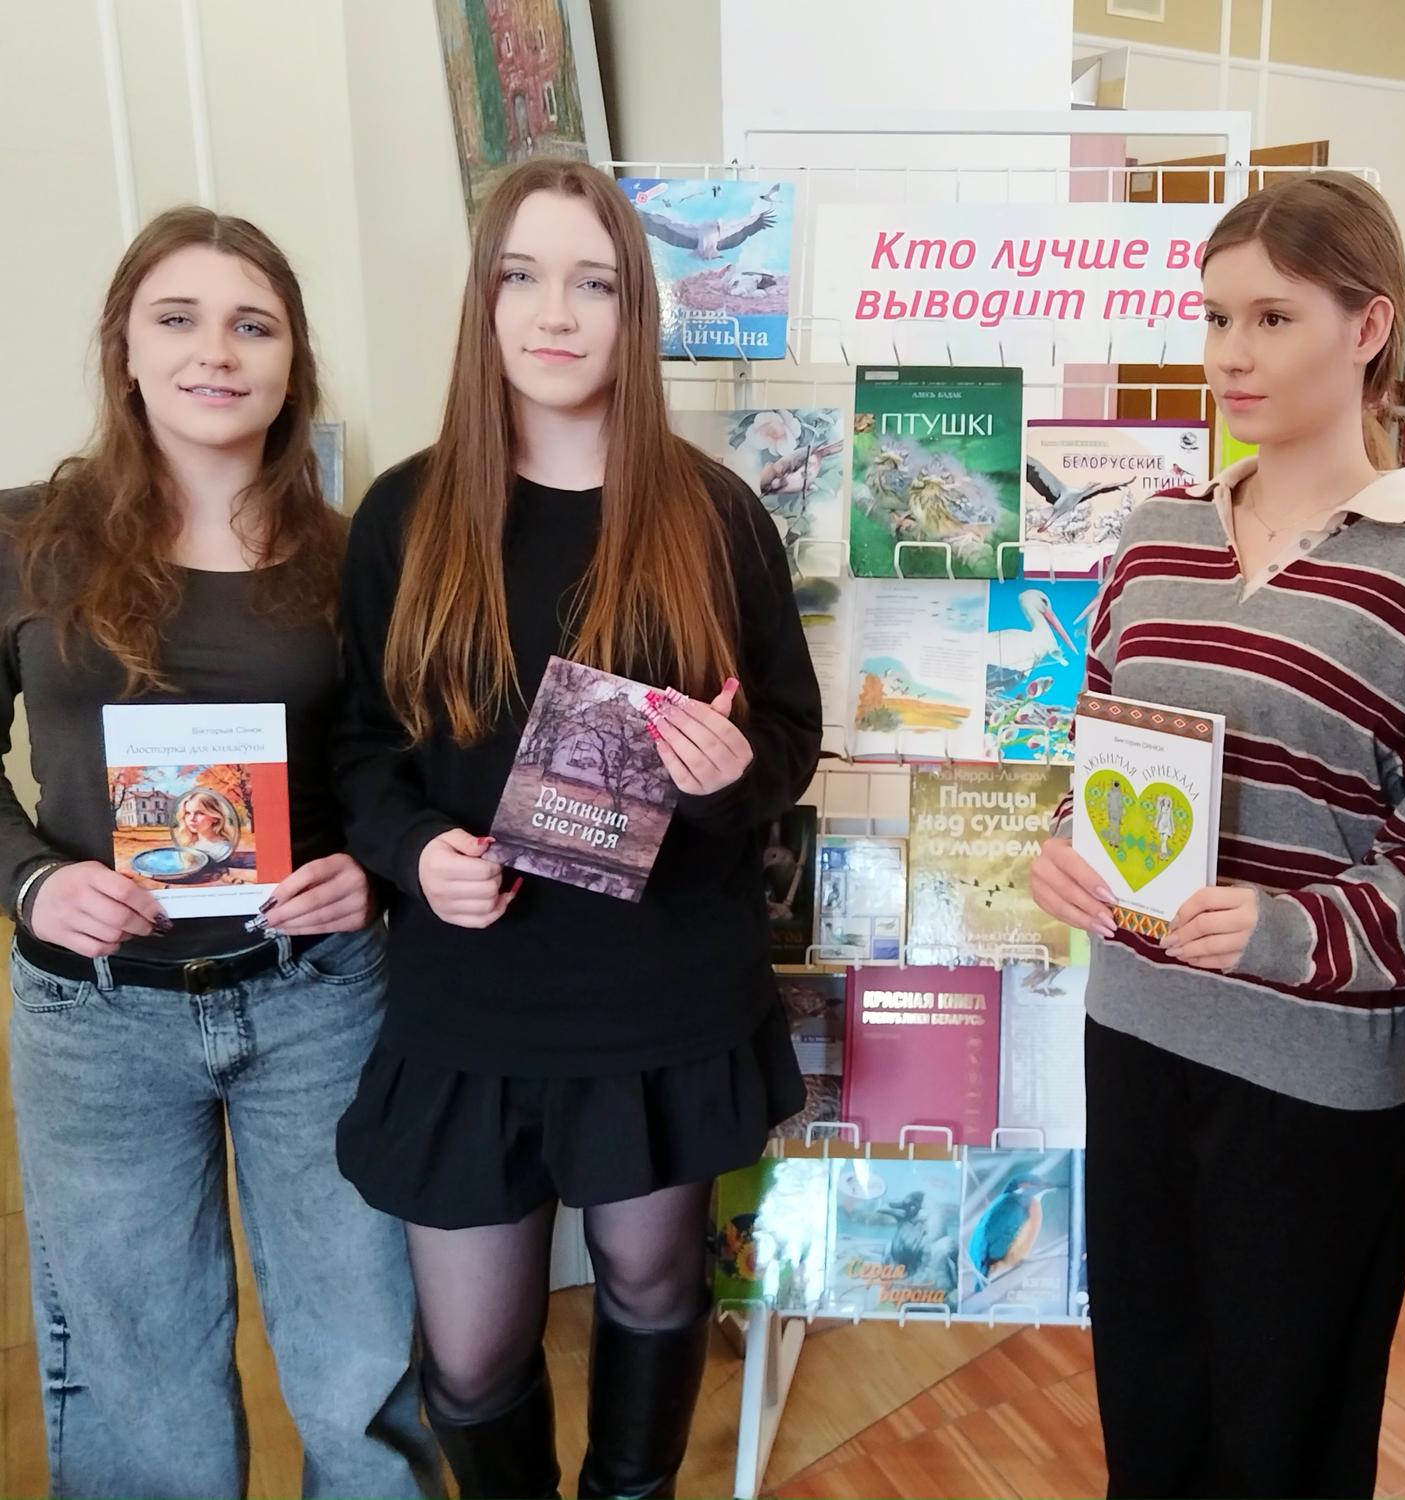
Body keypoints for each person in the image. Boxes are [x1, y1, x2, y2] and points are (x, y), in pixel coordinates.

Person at [332, 158, 819, 1500]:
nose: (556, 313)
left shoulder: (714, 513)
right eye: (524, 276)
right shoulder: (406, 515)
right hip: (471, 997)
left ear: (635, 309)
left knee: (652, 1287)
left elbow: (788, 732)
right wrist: (414, 854)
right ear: (484, 300)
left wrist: (730, 772)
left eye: (594, 283)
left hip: (660, 990)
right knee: (470, 1359)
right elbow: (362, 747)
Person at [1028, 173, 1405, 1498]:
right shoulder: (1154, 538)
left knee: (1286, 1443)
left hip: (1315, 1082)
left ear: (1370, 327)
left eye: (1272, 318)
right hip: (1135, 1036)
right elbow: (1103, 754)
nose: (1230, 354)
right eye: (1215, 317)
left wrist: (1291, 929)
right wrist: (1070, 844)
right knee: (1150, 1417)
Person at [0, 207, 437, 1498]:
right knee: (132, 1362)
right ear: (125, 351)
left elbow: (401, 762)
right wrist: (32, 881)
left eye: (254, 325)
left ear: (293, 365)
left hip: (317, 997)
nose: (217, 352)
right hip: (95, 1017)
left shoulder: (357, 556)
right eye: (178, 319)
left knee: (364, 1345)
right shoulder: (25, 542)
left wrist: (374, 870)